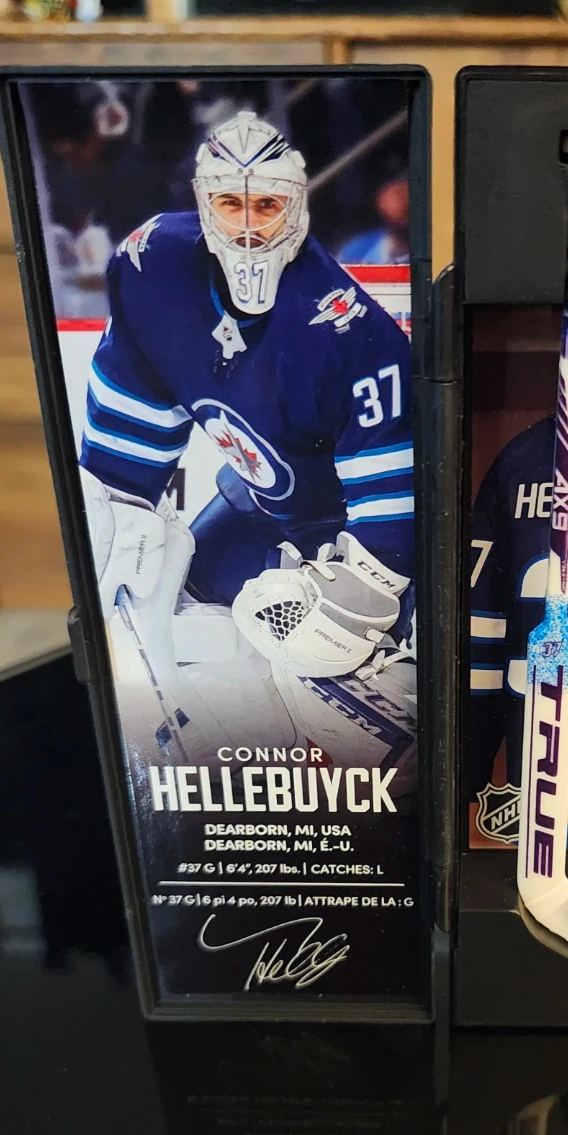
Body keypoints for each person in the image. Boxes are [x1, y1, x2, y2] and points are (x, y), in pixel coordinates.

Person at [80, 110, 416, 771]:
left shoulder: (348, 330)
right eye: (230, 204)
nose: (247, 227)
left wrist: (363, 596)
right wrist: (116, 510)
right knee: (164, 617)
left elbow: (396, 506)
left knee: (369, 728)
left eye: (266, 205)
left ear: (296, 205)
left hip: (339, 532)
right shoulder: (153, 264)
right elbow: (124, 443)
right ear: (203, 202)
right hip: (255, 500)